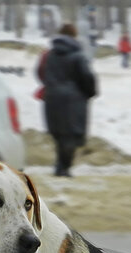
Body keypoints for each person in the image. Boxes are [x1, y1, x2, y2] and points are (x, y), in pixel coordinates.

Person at [36, 23, 97, 178]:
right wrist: (89, 93)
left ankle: (60, 165)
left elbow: (40, 72)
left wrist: (51, 85)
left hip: (52, 98)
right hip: (73, 101)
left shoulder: (49, 54)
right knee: (70, 135)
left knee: (59, 134)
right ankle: (63, 168)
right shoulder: (78, 55)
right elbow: (87, 77)